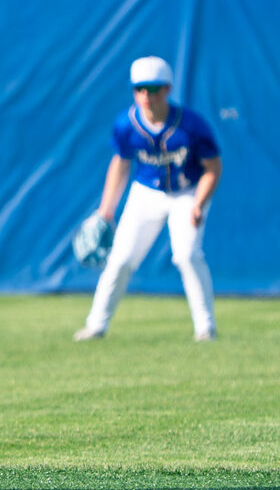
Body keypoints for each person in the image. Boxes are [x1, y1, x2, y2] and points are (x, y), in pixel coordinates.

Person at [74, 56, 222, 343]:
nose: (146, 96)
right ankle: (96, 326)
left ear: (167, 89)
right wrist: (106, 210)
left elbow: (213, 168)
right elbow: (120, 164)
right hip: (147, 193)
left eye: (153, 88)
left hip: (187, 192)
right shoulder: (126, 124)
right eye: (139, 89)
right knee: (120, 260)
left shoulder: (191, 126)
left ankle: (206, 328)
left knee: (187, 255)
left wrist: (199, 204)